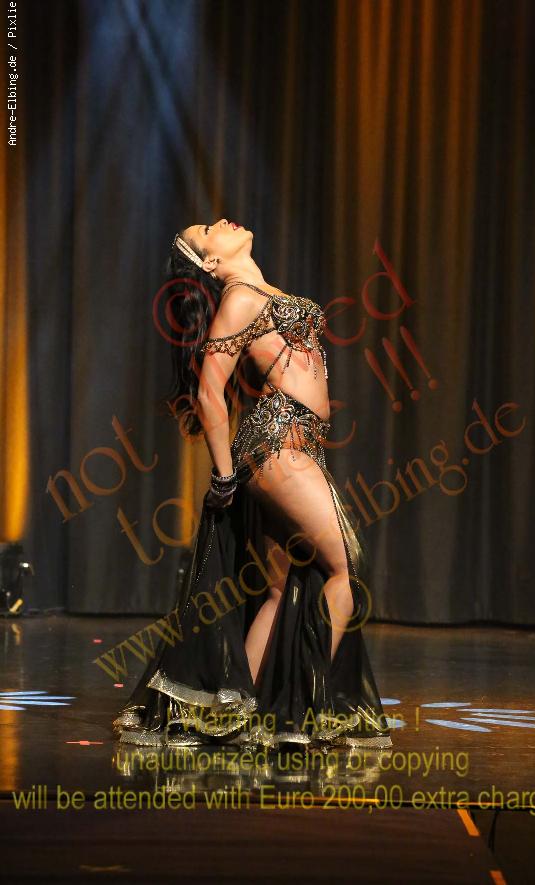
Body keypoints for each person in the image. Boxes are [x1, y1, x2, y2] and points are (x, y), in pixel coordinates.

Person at [112, 219, 392, 751]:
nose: (221, 221)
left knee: (279, 591)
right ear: (210, 263)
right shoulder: (239, 299)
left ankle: (239, 718)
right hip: (277, 448)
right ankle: (301, 711)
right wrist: (223, 474)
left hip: (292, 448)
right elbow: (208, 391)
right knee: (346, 568)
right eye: (208, 229)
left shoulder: (260, 291)